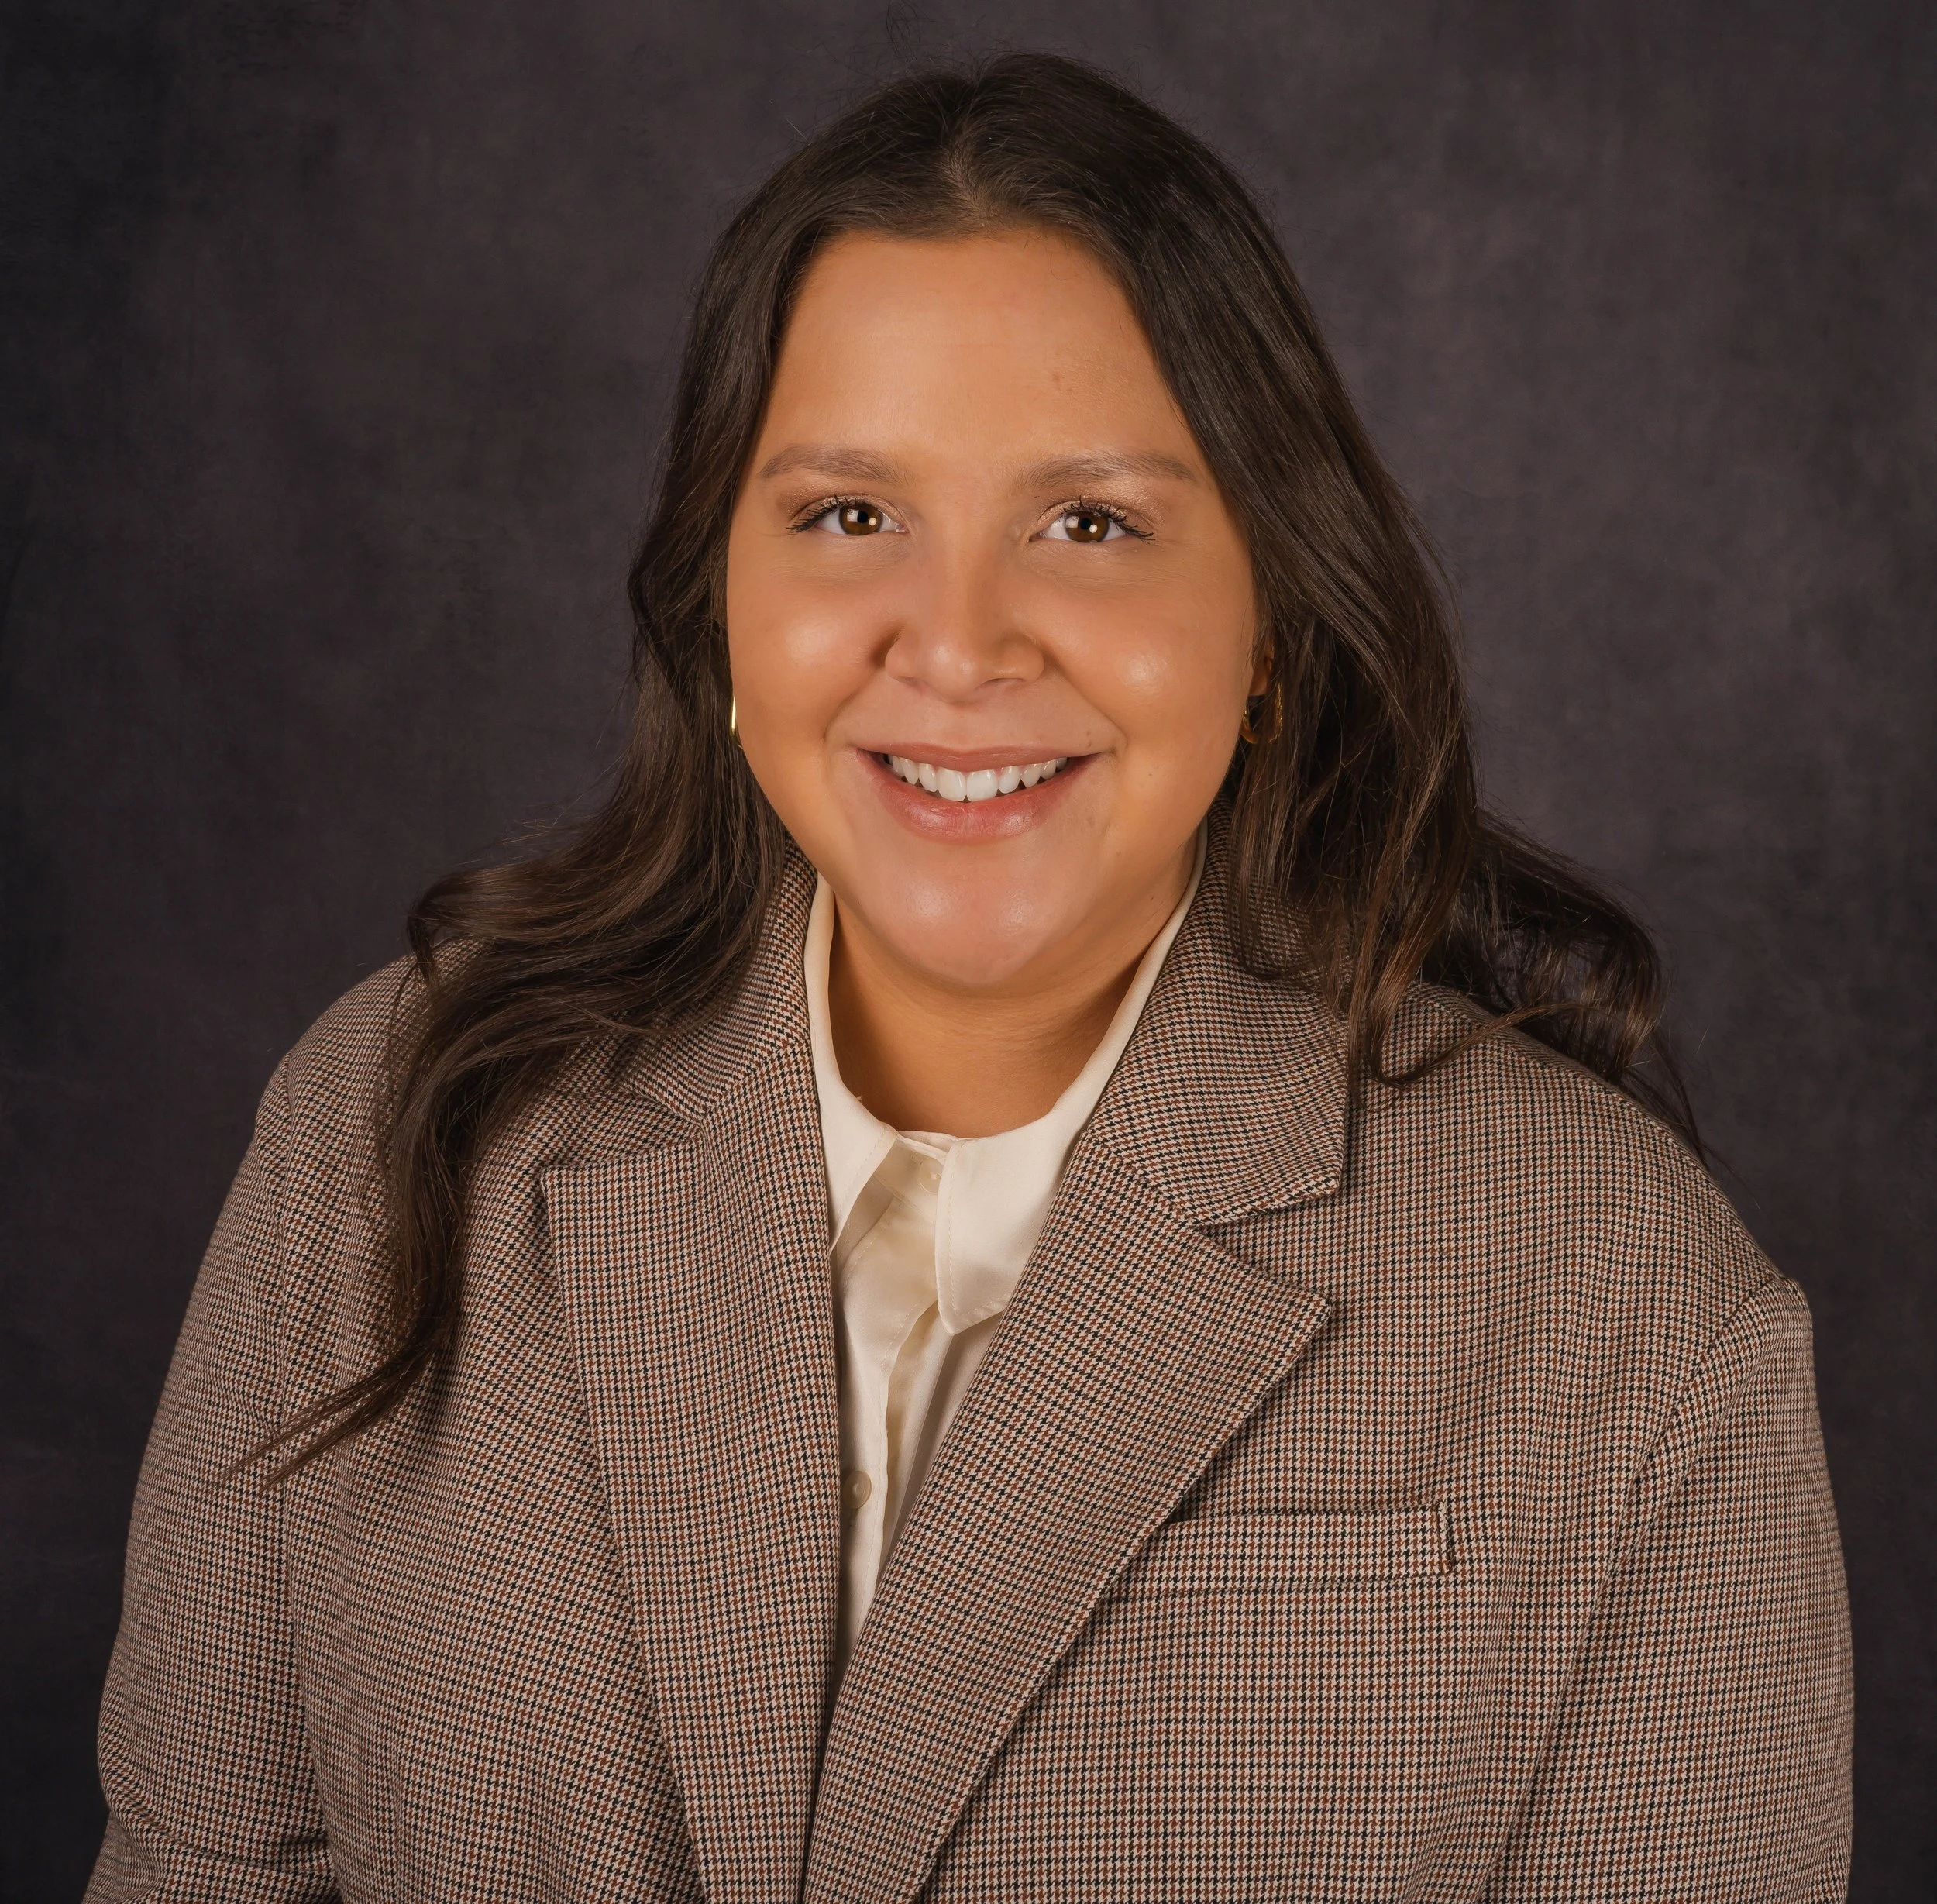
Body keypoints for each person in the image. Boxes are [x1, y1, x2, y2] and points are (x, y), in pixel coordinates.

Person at [88, 52, 1852, 1902]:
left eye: (1087, 522)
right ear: (720, 599)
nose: (954, 642)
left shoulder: (1629, 1309)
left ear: (1268, 629)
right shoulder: (383, 1135)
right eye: (849, 514)